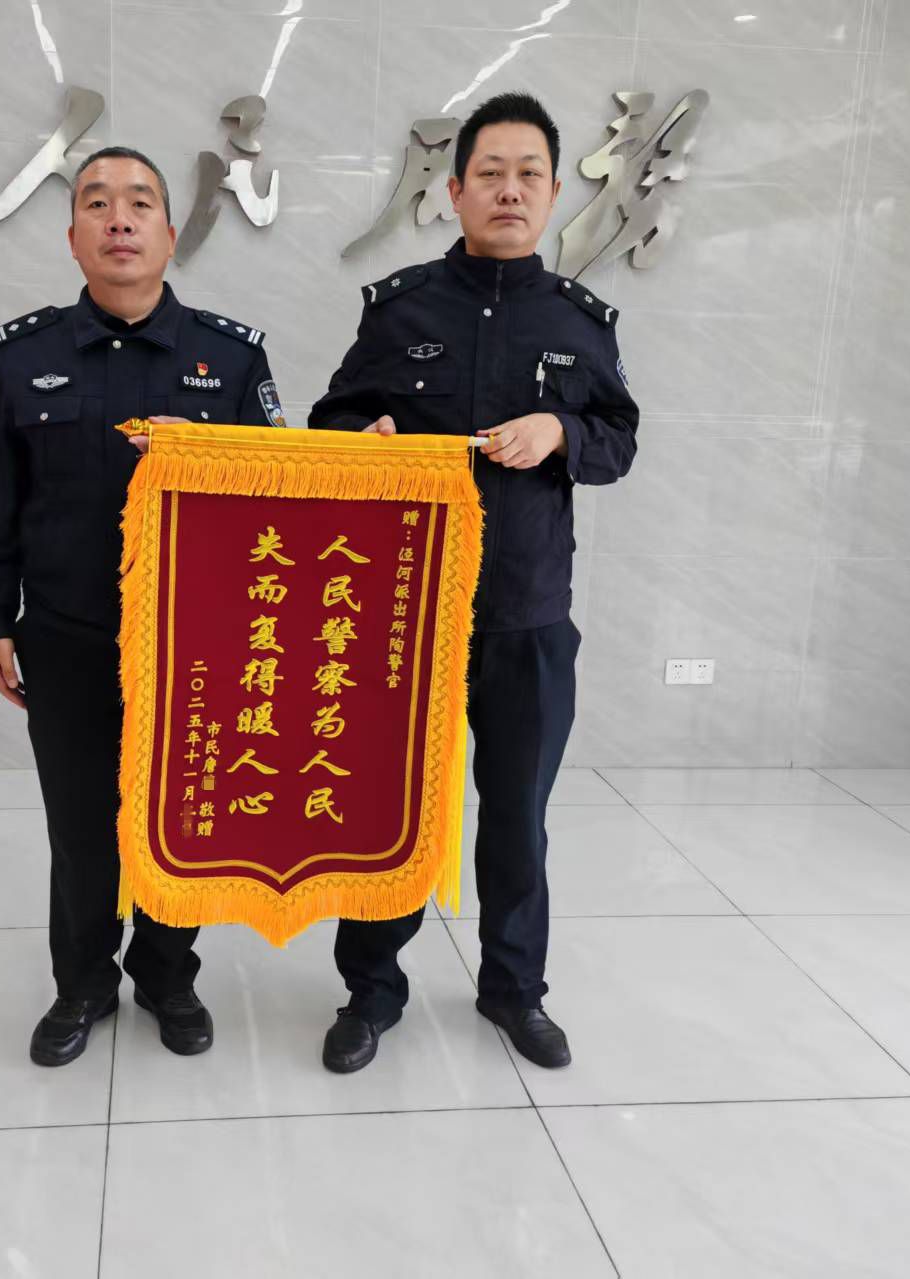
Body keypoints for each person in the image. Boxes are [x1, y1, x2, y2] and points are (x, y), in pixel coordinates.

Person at [309, 92, 639, 1073]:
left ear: (552, 191)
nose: (508, 190)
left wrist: (560, 431)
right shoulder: (400, 308)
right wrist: (362, 438)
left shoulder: (578, 322)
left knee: (516, 816)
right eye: (489, 173)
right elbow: (330, 423)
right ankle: (371, 990)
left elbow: (617, 441)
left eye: (528, 174)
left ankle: (514, 990)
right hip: (405, 616)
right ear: (453, 192)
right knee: (389, 809)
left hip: (526, 615)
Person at [0, 146, 286, 1067]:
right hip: (67, 635)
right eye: (97, 204)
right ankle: (84, 982)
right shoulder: (26, 357)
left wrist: (212, 456)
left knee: (181, 816)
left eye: (139, 203)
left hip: (197, 641)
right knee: (81, 825)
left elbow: (283, 498)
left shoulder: (231, 357)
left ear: (171, 236)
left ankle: (169, 977)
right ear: (73, 239)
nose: (119, 219)